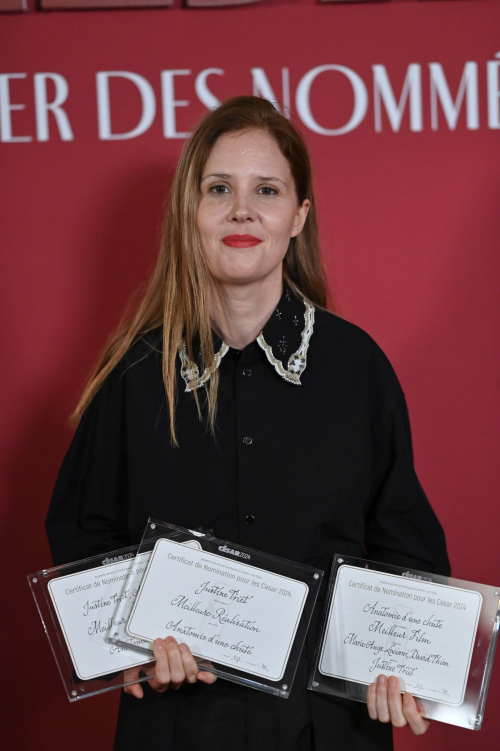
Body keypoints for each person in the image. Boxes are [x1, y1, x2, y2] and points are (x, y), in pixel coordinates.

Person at [45, 95, 450, 751]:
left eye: (267, 189)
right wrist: (127, 639)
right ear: (190, 212)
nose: (242, 209)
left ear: (298, 217)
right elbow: (82, 532)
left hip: (330, 728)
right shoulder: (133, 375)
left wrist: (402, 660)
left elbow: (406, 546)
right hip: (178, 724)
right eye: (218, 189)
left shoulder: (356, 367)